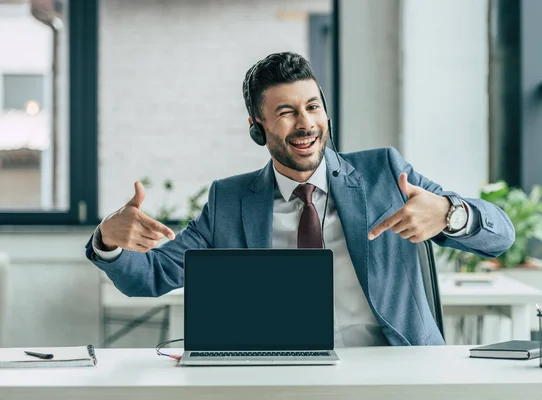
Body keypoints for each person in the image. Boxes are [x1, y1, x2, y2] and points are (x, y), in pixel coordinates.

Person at [85, 51, 515, 346]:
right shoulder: (230, 201)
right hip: (280, 374)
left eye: (312, 107)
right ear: (258, 127)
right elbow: (151, 275)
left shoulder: (384, 172)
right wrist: (108, 239)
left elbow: (501, 236)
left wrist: (449, 213)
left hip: (392, 366)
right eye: (286, 112)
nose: (305, 123)